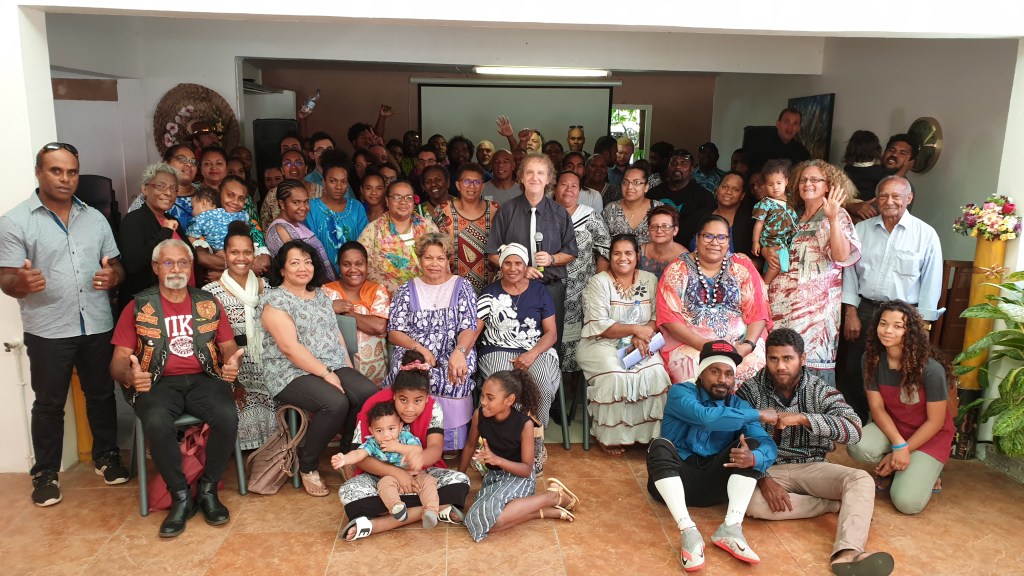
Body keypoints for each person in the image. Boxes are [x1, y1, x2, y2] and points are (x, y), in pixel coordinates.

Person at [0, 142, 128, 507]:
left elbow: (116, 266)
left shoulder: (95, 218)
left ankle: (106, 457)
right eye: (56, 171)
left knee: (101, 394)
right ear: (39, 172)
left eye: (72, 172)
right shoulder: (15, 221)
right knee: (49, 404)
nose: (65, 179)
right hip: (49, 328)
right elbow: (6, 278)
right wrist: (19, 283)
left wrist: (113, 277)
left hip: (96, 323)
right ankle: (45, 473)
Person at [110, 239, 242, 537]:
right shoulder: (138, 306)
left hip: (203, 378)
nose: (176, 269)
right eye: (168, 263)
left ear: (191, 267)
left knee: (227, 415)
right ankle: (180, 495)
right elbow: (118, 361)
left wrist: (233, 363)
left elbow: (228, 347)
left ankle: (208, 489)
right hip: (156, 382)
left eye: (183, 263)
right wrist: (130, 376)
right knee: (157, 421)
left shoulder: (208, 303)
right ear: (156, 267)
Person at [738, 328, 895, 576]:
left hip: (812, 466)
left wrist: (804, 418)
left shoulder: (819, 390)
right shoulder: (750, 391)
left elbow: (854, 429)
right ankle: (833, 505)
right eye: (773, 359)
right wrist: (762, 478)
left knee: (860, 480)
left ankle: (848, 552)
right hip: (769, 469)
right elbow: (734, 438)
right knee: (751, 503)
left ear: (802, 358)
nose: (780, 366)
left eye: (788, 358)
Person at [646, 341, 778, 571]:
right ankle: (688, 531)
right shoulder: (680, 392)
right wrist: (757, 414)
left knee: (751, 446)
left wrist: (754, 458)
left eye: (729, 374)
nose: (722, 380)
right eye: (715, 371)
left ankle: (731, 528)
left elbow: (767, 444)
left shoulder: (738, 405)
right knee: (659, 446)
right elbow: (706, 418)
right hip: (676, 482)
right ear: (701, 372)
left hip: (715, 487)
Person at [259, 240, 377, 496]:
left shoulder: (321, 295)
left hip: (331, 363)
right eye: (295, 262)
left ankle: (347, 454)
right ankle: (308, 465)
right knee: (335, 403)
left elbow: (335, 334)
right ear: (282, 269)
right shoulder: (275, 301)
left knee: (366, 393)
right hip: (289, 371)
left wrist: (347, 368)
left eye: (307, 262)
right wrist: (326, 374)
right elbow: (290, 348)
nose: (303, 267)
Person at [338, 350, 470, 541]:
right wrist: (397, 473)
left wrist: (419, 459)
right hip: (380, 477)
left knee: (461, 481)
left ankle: (381, 521)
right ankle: (435, 508)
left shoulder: (434, 407)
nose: (409, 409)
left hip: (420, 476)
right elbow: (360, 456)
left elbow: (435, 449)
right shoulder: (374, 404)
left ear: (426, 397)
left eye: (418, 401)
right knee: (348, 492)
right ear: (394, 396)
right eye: (403, 400)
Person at [840, 176, 943, 420]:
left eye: (896, 196)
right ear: (877, 199)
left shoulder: (925, 234)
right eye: (884, 196)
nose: (889, 201)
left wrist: (924, 325)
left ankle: (890, 423)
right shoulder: (861, 230)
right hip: (865, 309)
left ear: (909, 198)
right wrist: (850, 311)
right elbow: (850, 271)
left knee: (896, 371)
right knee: (854, 369)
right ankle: (858, 422)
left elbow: (931, 281)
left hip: (904, 315)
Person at [846, 301, 956, 515]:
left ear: (910, 331)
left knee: (907, 503)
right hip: (894, 427)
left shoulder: (931, 369)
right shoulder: (870, 359)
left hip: (929, 435)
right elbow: (877, 408)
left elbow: (936, 422)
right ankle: (900, 464)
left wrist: (903, 449)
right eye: (883, 323)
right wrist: (898, 445)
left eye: (898, 326)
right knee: (857, 445)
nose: (888, 330)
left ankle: (927, 469)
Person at [765, 160, 861, 386]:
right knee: (780, 365)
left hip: (813, 314)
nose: (807, 183)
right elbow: (778, 250)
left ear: (828, 186)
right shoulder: (794, 215)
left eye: (815, 179)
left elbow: (841, 256)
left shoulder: (836, 214)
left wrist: (833, 218)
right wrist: (769, 252)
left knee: (807, 373)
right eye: (803, 180)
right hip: (781, 307)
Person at [382, 233, 479, 451]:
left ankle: (448, 442)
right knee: (406, 375)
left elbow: (468, 327)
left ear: (448, 260)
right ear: (420, 259)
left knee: (456, 374)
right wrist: (420, 349)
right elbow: (394, 332)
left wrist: (459, 352)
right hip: (414, 350)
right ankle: (409, 438)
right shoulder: (406, 289)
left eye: (440, 258)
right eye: (428, 258)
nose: (434, 264)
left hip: (453, 349)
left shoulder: (462, 287)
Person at [459, 370, 581, 542]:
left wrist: (496, 460)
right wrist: (460, 479)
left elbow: (526, 470)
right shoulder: (479, 415)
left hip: (520, 478)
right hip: (494, 478)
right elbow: (470, 446)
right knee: (475, 520)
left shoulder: (525, 424)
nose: (483, 401)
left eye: (490, 398)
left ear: (509, 400)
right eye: (483, 396)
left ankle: (551, 497)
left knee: (493, 521)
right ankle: (538, 512)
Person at [577, 234, 671, 455]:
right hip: (600, 343)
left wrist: (641, 335)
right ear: (610, 257)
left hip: (641, 342)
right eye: (617, 253)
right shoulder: (598, 282)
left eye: (628, 253)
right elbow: (600, 325)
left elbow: (656, 317)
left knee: (656, 373)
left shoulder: (649, 279)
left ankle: (648, 436)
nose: (622, 258)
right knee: (616, 376)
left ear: (637, 256)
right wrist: (635, 330)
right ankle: (608, 437)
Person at [658, 215, 771, 386]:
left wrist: (747, 346)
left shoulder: (742, 266)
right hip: (692, 345)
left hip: (740, 344)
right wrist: (707, 346)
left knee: (754, 370)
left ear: (728, 241)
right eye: (708, 236)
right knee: (699, 371)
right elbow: (669, 318)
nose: (715, 242)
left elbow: (758, 311)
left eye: (721, 237)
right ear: (697, 238)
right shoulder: (678, 269)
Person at [475, 244, 560, 465]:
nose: (513, 268)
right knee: (502, 390)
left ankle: (535, 442)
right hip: (497, 349)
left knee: (541, 385)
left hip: (535, 349)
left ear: (526, 266)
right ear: (501, 266)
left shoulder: (539, 291)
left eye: (518, 263)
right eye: (508, 263)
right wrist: (460, 350)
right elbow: (474, 329)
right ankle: (502, 443)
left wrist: (532, 354)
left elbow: (551, 333)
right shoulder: (489, 292)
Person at [486, 153, 578, 345]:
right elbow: (493, 253)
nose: (535, 178)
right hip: (514, 289)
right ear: (521, 177)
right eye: (529, 172)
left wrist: (552, 259)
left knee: (551, 344)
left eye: (540, 173)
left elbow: (570, 252)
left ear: (549, 178)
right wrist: (521, 270)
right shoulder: (507, 211)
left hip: (551, 288)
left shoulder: (560, 213)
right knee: (514, 342)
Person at [202, 222, 278, 450]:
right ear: (225, 255)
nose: (241, 258)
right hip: (231, 368)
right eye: (234, 252)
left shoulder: (270, 289)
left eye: (247, 252)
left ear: (254, 255)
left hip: (267, 364)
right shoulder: (209, 294)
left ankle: (273, 447)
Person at [332, 400, 441, 528]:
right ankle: (397, 507)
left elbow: (417, 450)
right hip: (391, 479)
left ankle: (431, 511)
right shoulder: (372, 443)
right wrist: (344, 459)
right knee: (383, 484)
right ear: (371, 431)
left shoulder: (405, 437)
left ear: (400, 427)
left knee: (429, 481)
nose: (386, 435)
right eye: (379, 430)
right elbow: (358, 454)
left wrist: (397, 447)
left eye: (391, 429)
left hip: (416, 477)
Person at [553, 169, 610, 374]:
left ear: (580, 191)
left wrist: (597, 282)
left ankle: (572, 382)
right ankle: (551, 379)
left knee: (575, 337)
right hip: (551, 287)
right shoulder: (545, 213)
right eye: (564, 184)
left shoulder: (589, 216)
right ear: (554, 187)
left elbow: (604, 249)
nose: (568, 189)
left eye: (574, 186)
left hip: (581, 289)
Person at [119, 163, 199, 307]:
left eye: (173, 189)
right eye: (161, 186)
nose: (168, 193)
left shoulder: (172, 220)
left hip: (183, 302)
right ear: (145, 189)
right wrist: (165, 233)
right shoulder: (133, 219)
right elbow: (133, 264)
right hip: (149, 307)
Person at [322, 241, 391, 386]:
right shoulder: (326, 291)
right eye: (346, 264)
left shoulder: (377, 290)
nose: (353, 269)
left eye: (359, 264)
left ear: (367, 265)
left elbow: (379, 326)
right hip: (337, 370)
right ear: (339, 266)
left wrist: (349, 313)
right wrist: (329, 307)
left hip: (375, 373)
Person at [357, 180, 439, 295]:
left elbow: (441, 262)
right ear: (387, 201)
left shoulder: (428, 226)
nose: (403, 202)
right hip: (387, 298)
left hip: (429, 295)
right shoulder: (373, 229)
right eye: (397, 197)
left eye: (408, 198)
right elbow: (361, 265)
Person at [432, 162, 501, 294]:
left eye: (477, 182)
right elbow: (436, 249)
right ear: (458, 185)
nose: (472, 186)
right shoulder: (443, 210)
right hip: (452, 288)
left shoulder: (494, 210)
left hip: (490, 288)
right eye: (467, 181)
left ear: (483, 186)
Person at [187, 176, 271, 283]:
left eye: (241, 198)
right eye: (230, 195)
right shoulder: (206, 219)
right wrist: (248, 267)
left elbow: (263, 262)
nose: (235, 202)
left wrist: (221, 274)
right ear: (220, 192)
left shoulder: (247, 220)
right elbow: (200, 257)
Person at [264, 179, 336, 281]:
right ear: (282, 204)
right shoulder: (281, 230)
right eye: (296, 202)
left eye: (306, 202)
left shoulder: (299, 225)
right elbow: (300, 270)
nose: (303, 207)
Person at [678, 171, 755, 258]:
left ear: (742, 195)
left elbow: (756, 259)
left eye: (735, 189)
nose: (728, 192)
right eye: (724, 187)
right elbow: (679, 244)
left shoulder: (748, 223)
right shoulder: (700, 215)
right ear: (717, 189)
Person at [128, 144, 201, 230]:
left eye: (193, 162)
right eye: (181, 159)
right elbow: (134, 226)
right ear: (166, 163)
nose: (189, 164)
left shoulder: (204, 192)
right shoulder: (148, 196)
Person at [751, 159, 798, 284]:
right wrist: (755, 242)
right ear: (765, 185)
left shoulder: (791, 201)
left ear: (786, 181)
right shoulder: (765, 203)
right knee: (776, 263)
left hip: (785, 240)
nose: (775, 187)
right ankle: (765, 286)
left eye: (779, 183)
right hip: (771, 239)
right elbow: (759, 223)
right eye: (770, 185)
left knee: (777, 264)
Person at [647, 149, 715, 232]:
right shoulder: (653, 193)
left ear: (692, 169)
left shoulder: (704, 197)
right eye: (674, 163)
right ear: (668, 167)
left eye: (684, 164)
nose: (678, 167)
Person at [260, 148, 324, 230]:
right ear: (282, 170)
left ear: (306, 169)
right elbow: (265, 228)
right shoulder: (272, 195)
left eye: (298, 163)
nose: (293, 167)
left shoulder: (322, 191)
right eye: (288, 163)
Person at [603, 163, 664, 244]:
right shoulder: (610, 209)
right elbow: (603, 243)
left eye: (636, 182)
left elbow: (666, 241)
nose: (629, 187)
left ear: (646, 187)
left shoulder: (658, 208)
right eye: (625, 182)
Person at [747, 107, 811, 174]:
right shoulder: (760, 144)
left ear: (798, 129)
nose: (790, 127)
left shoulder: (802, 152)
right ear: (778, 124)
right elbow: (744, 167)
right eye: (786, 122)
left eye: (795, 124)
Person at [842, 130, 889, 221]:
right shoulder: (880, 171)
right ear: (876, 151)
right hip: (870, 209)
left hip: (848, 206)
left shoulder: (847, 168)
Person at [638, 205, 688, 279]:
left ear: (675, 230)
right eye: (654, 226)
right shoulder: (640, 252)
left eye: (665, 226)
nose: (659, 231)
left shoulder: (684, 257)